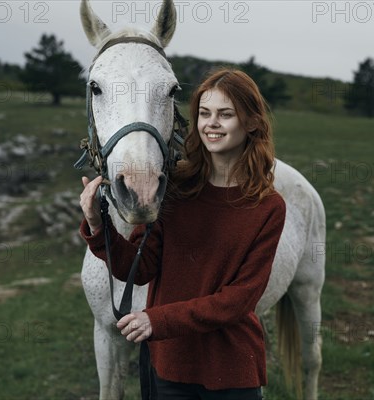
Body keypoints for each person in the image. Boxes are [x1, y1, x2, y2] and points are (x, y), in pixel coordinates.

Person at [79, 68, 286, 399]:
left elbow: (239, 299)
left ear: (251, 123)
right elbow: (138, 267)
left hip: (233, 370)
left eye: (225, 114)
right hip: (170, 367)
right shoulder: (174, 190)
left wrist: (156, 321)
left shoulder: (268, 207)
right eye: (204, 113)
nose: (211, 123)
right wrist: (96, 224)